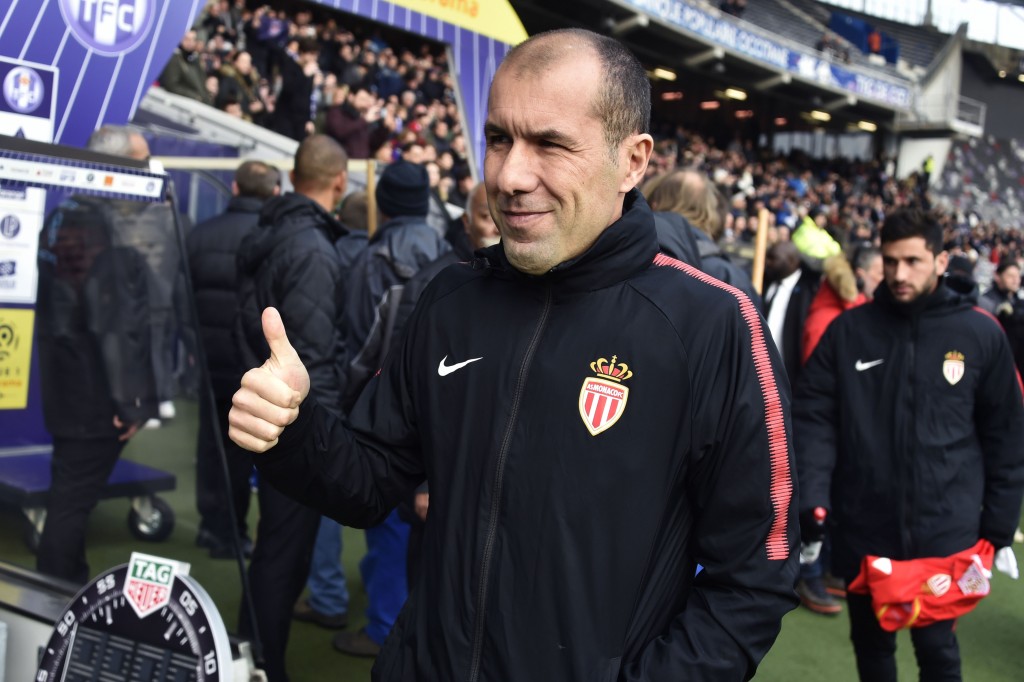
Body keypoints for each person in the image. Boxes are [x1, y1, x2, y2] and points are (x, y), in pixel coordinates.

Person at [230, 28, 798, 680]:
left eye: (550, 144)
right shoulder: (450, 299)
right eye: (499, 139)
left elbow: (758, 567)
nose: (509, 175)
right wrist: (293, 428)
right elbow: (370, 481)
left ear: (634, 160)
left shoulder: (712, 324)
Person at [794, 207, 1024, 681]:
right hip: (862, 525)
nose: (899, 273)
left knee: (938, 651)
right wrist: (813, 499)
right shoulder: (849, 331)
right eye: (891, 260)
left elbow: (1005, 433)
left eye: (914, 261)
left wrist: (1000, 525)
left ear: (941, 261)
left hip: (946, 531)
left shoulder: (981, 334)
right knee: (872, 650)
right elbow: (813, 420)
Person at [235, 135, 351, 682]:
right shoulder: (311, 250)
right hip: (291, 426)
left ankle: (252, 654)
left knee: (276, 552)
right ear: (340, 182)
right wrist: (320, 437)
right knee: (283, 554)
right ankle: (261, 663)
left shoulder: (282, 234)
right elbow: (314, 359)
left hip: (273, 417)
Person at [332, 159, 451, 658]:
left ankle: (383, 628)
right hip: (439, 421)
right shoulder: (449, 257)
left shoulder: (373, 257)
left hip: (386, 418)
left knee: (387, 525)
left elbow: (360, 349)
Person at [34, 126, 159, 583]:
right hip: (92, 393)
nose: (149, 168)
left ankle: (64, 586)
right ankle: (51, 599)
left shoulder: (66, 214)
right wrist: (130, 402)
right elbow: (112, 326)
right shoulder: (99, 223)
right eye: (142, 159)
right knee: (72, 501)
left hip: (69, 382)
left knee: (70, 496)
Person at [186, 160, 281, 559]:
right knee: (243, 448)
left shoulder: (200, 233)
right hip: (252, 363)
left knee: (211, 442)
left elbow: (182, 296)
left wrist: (190, 347)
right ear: (274, 193)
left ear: (235, 187)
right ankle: (230, 530)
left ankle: (213, 526)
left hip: (209, 359)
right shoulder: (273, 239)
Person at [158, 30, 212, 105]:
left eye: (193, 39)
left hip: (198, 104)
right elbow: (171, 85)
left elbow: (202, 85)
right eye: (187, 39)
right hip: (179, 103)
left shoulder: (196, 60)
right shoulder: (174, 59)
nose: (190, 42)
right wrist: (195, 97)